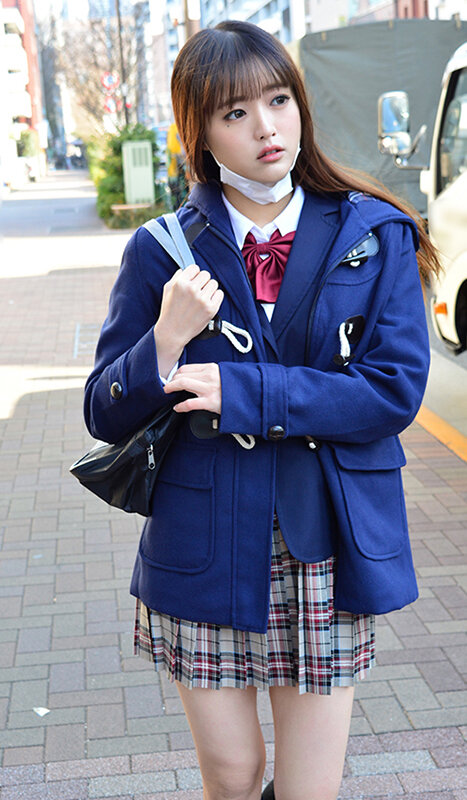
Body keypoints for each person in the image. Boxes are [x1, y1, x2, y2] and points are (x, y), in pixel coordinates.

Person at [84, 20, 440, 800]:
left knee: (309, 788)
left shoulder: (373, 233)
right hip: (203, 543)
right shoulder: (161, 249)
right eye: (235, 112)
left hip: (326, 542)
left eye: (278, 100)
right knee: (233, 773)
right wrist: (165, 339)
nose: (265, 127)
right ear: (201, 133)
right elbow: (103, 412)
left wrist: (247, 393)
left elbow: (391, 392)